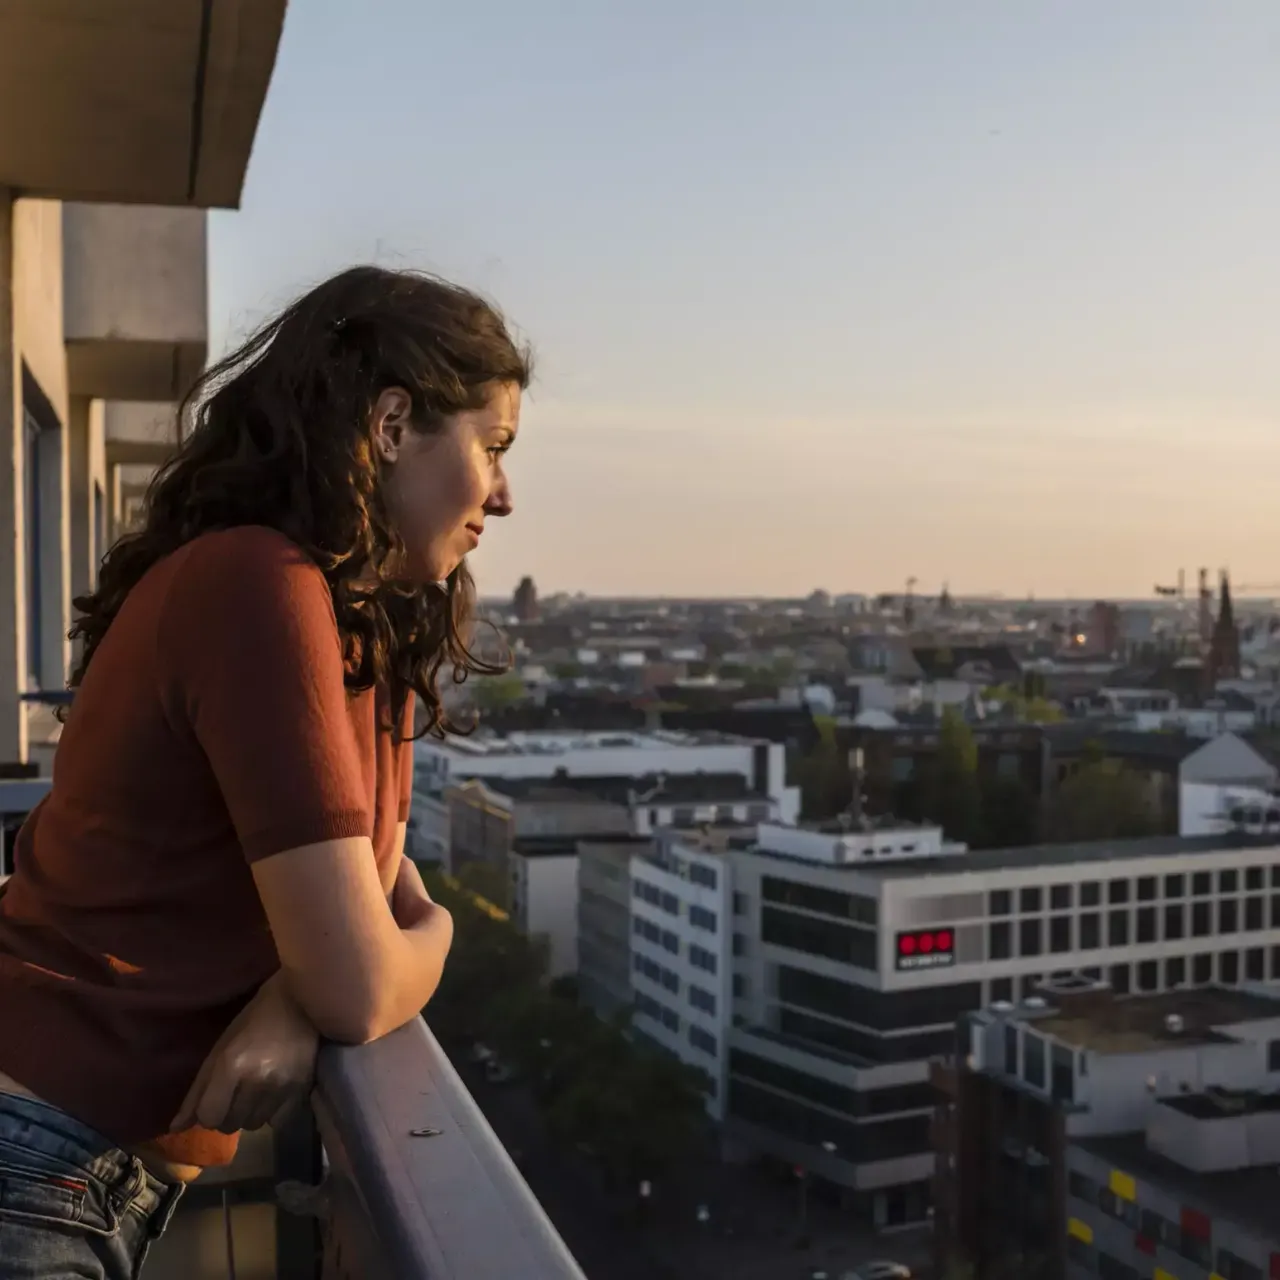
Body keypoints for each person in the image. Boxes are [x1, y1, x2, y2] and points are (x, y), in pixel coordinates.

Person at [0, 264, 530, 1278]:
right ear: (388, 423)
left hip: (73, 1168)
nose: (503, 495)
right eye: (492, 446)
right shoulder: (257, 586)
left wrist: (304, 990)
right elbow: (367, 963)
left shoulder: (347, 629)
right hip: (35, 1161)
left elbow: (368, 907)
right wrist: (432, 935)